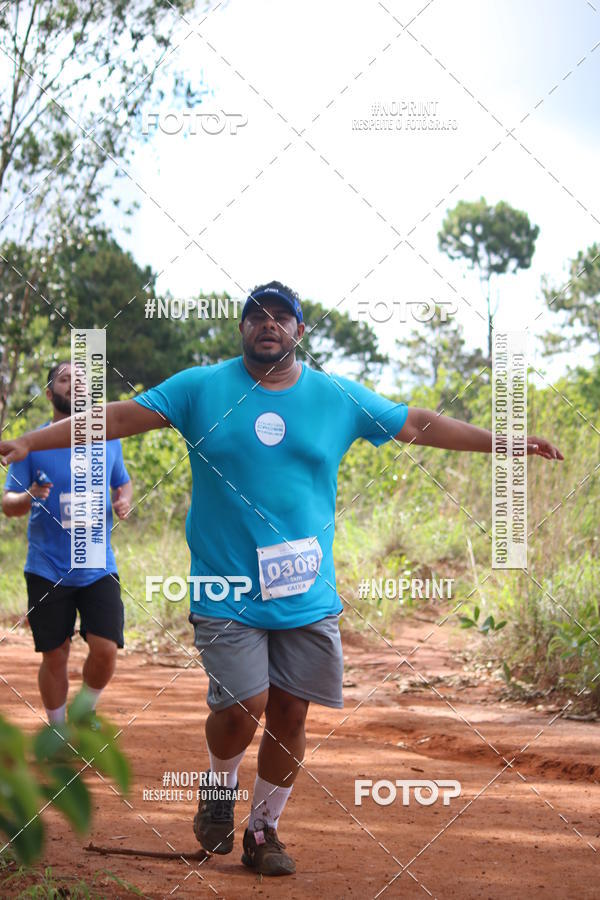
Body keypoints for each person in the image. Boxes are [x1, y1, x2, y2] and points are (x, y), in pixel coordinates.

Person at [0, 282, 563, 876]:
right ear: (241, 328)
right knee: (245, 704)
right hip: (226, 589)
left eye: (283, 317)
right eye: (256, 316)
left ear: (299, 331)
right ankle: (219, 791)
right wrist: (28, 441)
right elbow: (113, 417)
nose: (269, 324)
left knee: (292, 713)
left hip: (307, 593)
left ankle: (263, 829)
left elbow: (418, 422)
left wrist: (503, 441)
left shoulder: (335, 397)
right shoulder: (200, 388)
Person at [2, 361, 132, 725]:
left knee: (106, 649)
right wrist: (29, 497)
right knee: (55, 654)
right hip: (47, 567)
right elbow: (8, 504)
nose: (74, 384)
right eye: (64, 379)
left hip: (97, 565)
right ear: (49, 393)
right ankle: (58, 731)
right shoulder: (33, 445)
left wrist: (123, 499)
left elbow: (122, 481)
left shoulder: (107, 438)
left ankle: (83, 712)